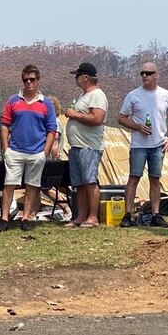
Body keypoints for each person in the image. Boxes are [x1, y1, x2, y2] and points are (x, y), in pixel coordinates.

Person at [117, 62, 168, 228]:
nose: (144, 76)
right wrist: (138, 126)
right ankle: (127, 215)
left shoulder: (165, 95)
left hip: (158, 144)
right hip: (139, 144)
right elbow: (121, 118)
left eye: (148, 73)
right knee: (134, 178)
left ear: (156, 75)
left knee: (155, 179)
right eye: (142, 73)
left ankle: (156, 215)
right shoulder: (133, 95)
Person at [0, 65, 57, 232]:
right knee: (9, 184)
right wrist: (5, 148)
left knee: (32, 186)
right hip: (15, 150)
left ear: (38, 80)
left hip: (37, 152)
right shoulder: (13, 100)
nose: (29, 82)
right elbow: (4, 125)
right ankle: (4, 218)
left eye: (32, 79)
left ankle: (26, 218)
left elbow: (52, 129)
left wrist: (45, 152)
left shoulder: (46, 103)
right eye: (25, 79)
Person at [63, 63, 108, 228]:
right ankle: (80, 216)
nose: (76, 79)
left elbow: (97, 119)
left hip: (89, 146)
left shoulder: (97, 95)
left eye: (77, 76)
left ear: (86, 77)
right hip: (77, 146)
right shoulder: (83, 96)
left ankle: (92, 217)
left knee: (89, 182)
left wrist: (74, 114)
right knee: (79, 184)